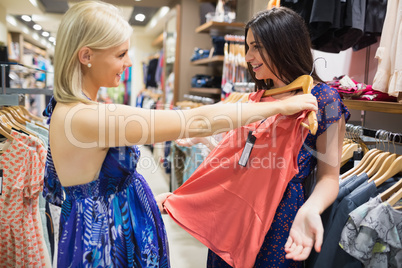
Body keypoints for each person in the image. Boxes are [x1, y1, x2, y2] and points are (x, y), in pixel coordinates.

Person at [42, 1, 317, 267]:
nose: (129, 62)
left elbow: (103, 184)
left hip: (113, 231)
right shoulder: (86, 118)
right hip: (105, 244)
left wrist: (144, 198)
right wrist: (278, 106)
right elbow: (192, 121)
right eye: (120, 54)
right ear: (86, 56)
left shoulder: (80, 111)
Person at [190, 7, 349, 268]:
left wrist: (311, 208)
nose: (248, 56)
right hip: (234, 215)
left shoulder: (324, 100)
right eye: (248, 47)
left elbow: (329, 177)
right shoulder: (258, 98)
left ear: (283, 44)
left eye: (256, 47)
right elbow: (241, 161)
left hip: (281, 219)